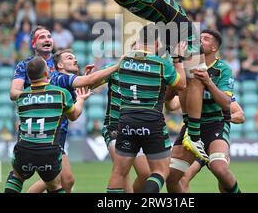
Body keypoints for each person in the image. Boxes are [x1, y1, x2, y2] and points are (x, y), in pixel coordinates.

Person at [102, 0, 209, 162]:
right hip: (181, 30)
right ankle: (194, 134)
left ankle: (169, 102)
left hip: (168, 31)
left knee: (185, 83)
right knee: (198, 78)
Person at [27, 48, 124, 193]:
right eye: (69, 58)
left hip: (55, 136)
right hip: (51, 138)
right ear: (60, 65)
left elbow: (83, 88)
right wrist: (116, 66)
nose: (75, 60)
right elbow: (87, 86)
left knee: (63, 180)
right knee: (60, 179)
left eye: (74, 57)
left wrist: (85, 77)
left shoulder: (62, 81)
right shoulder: (60, 78)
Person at [106, 25, 186, 193]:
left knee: (119, 172)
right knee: (161, 170)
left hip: (126, 119)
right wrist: (178, 60)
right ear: (156, 43)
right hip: (151, 120)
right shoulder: (162, 65)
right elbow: (182, 84)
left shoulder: (123, 61)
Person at [166, 29, 241, 193]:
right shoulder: (185, 66)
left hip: (215, 124)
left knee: (219, 169)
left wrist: (209, 82)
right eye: (199, 38)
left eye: (205, 39)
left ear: (214, 48)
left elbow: (226, 103)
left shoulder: (223, 69)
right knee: (171, 177)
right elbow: (169, 103)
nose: (199, 41)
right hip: (191, 128)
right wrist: (172, 85)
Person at [4, 56, 91, 193]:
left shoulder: (21, 97)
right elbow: (74, 115)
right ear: (46, 73)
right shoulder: (61, 94)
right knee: (55, 186)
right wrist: (80, 99)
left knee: (16, 178)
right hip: (48, 151)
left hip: (24, 149)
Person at [10, 26, 79, 192]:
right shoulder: (25, 65)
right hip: (38, 129)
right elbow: (14, 93)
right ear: (34, 43)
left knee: (63, 180)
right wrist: (38, 101)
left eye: (49, 36)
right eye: (42, 37)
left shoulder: (58, 63)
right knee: (61, 179)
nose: (47, 39)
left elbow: (76, 81)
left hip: (59, 127)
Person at [100, 42, 150, 193]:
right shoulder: (115, 69)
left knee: (146, 174)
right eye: (134, 48)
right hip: (115, 126)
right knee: (123, 169)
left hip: (136, 128)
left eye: (141, 49)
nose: (137, 51)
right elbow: (92, 83)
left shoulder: (150, 74)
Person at [180, 97, 245, 192]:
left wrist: (223, 118)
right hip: (195, 141)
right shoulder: (190, 89)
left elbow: (241, 116)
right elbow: (173, 104)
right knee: (182, 178)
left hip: (215, 137)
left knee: (222, 178)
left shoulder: (219, 90)